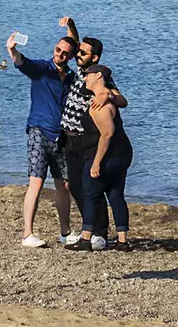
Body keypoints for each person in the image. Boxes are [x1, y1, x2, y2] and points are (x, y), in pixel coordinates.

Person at [7, 28, 77, 247]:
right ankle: (27, 234)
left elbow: (74, 42)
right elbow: (22, 63)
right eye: (58, 50)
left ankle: (65, 232)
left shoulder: (72, 77)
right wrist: (13, 50)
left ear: (71, 56)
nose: (60, 54)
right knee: (36, 182)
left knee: (64, 185)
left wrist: (71, 27)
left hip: (61, 136)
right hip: (39, 131)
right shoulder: (42, 69)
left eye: (65, 53)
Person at [79, 65, 134, 250]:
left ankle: (86, 239)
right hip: (122, 154)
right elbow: (121, 100)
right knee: (116, 194)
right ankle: (122, 240)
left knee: (91, 194)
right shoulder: (109, 97)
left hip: (109, 156)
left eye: (87, 75)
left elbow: (107, 133)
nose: (85, 78)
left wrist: (96, 163)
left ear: (98, 76)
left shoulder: (98, 106)